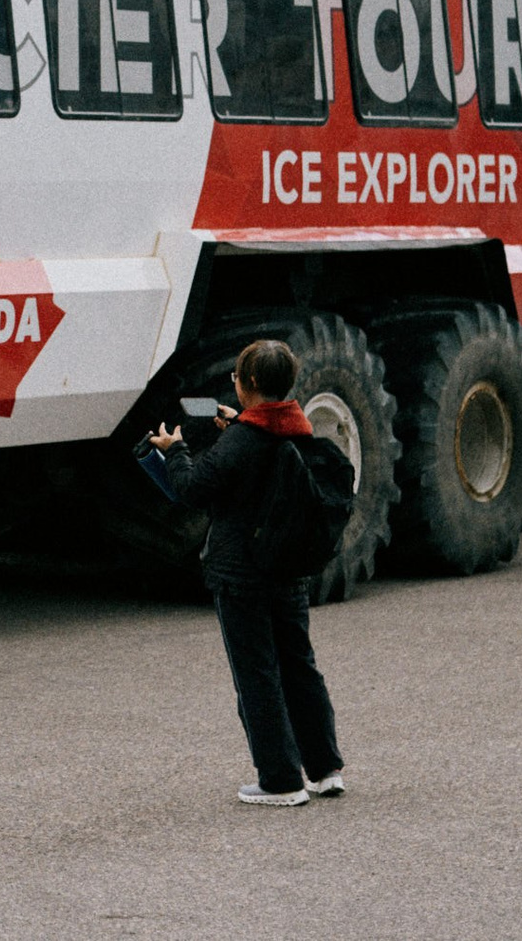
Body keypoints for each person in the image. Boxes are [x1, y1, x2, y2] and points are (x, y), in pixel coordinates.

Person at [143, 339, 346, 808]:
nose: (233, 385)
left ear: (250, 384)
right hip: (288, 571)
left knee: (257, 675)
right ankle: (324, 769)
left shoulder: (244, 439)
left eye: (236, 378)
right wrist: (237, 423)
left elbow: (193, 488)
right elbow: (262, 452)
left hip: (243, 575)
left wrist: (174, 449)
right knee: (299, 668)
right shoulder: (297, 428)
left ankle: (280, 780)